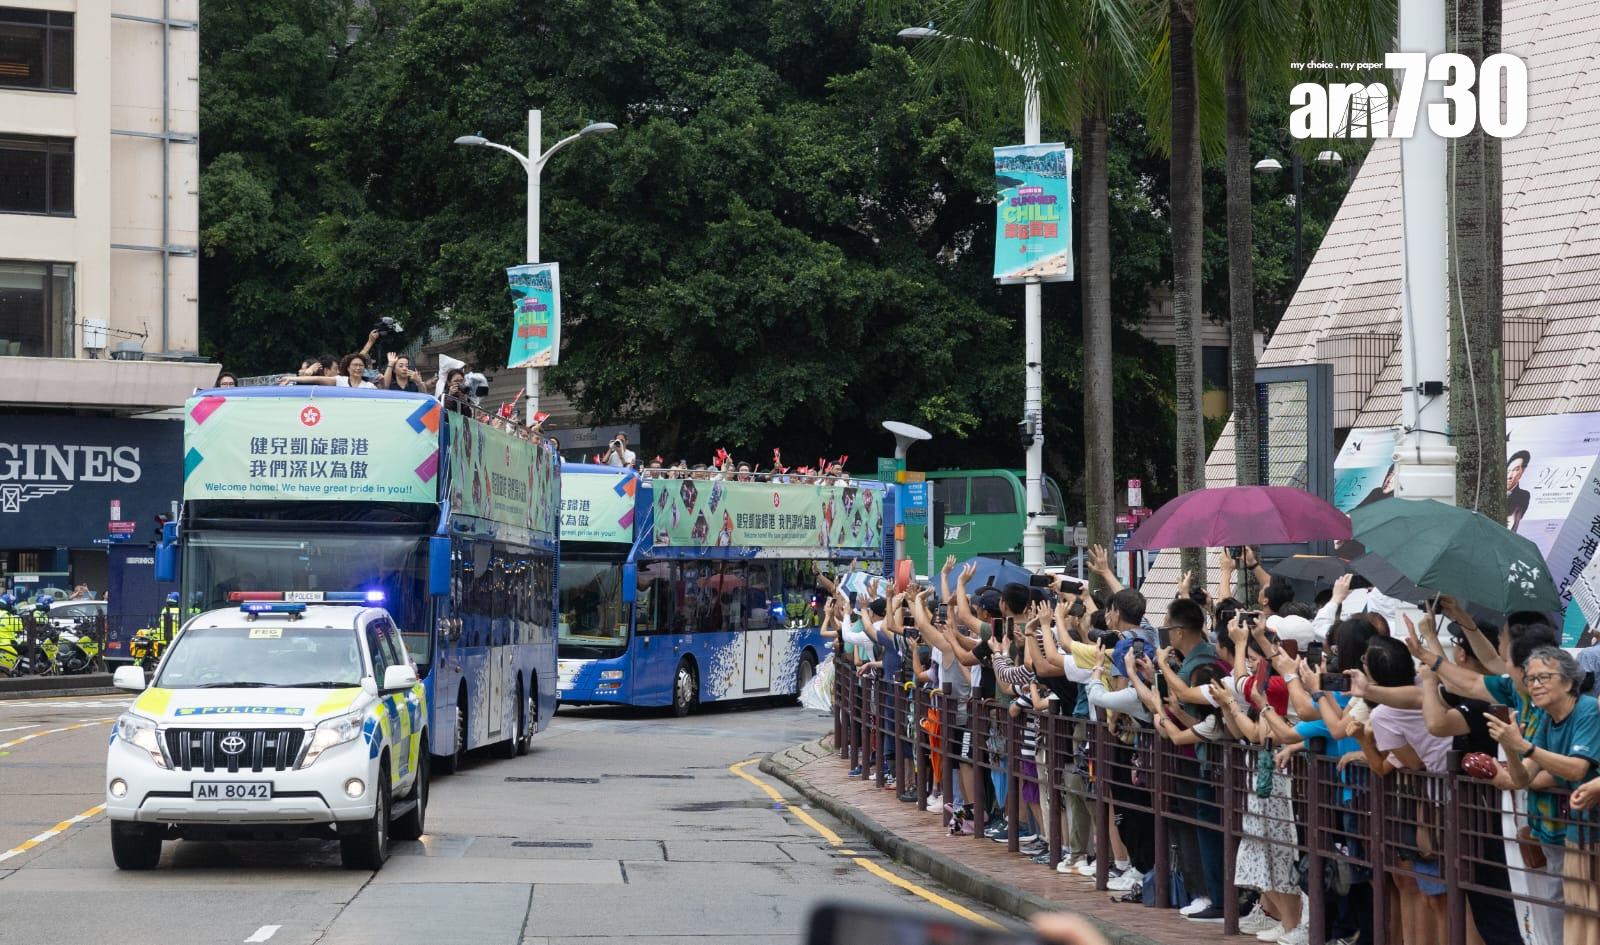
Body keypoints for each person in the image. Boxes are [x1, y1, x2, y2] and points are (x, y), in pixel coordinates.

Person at [1486, 646, 1600, 945]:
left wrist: (1523, 747)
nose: (1535, 684)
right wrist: (1511, 747)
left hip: (1592, 830)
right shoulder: (1546, 718)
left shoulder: (1587, 709)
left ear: (1567, 681)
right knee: (1578, 913)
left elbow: (1577, 769)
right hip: (1579, 829)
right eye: (1530, 678)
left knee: (1591, 914)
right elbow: (1523, 776)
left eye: (1544, 677)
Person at [1506, 450, 1532, 532]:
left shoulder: (1523, 496)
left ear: (1523, 471)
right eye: (1508, 470)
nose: (1509, 476)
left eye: (1515, 470)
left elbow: (1512, 524)